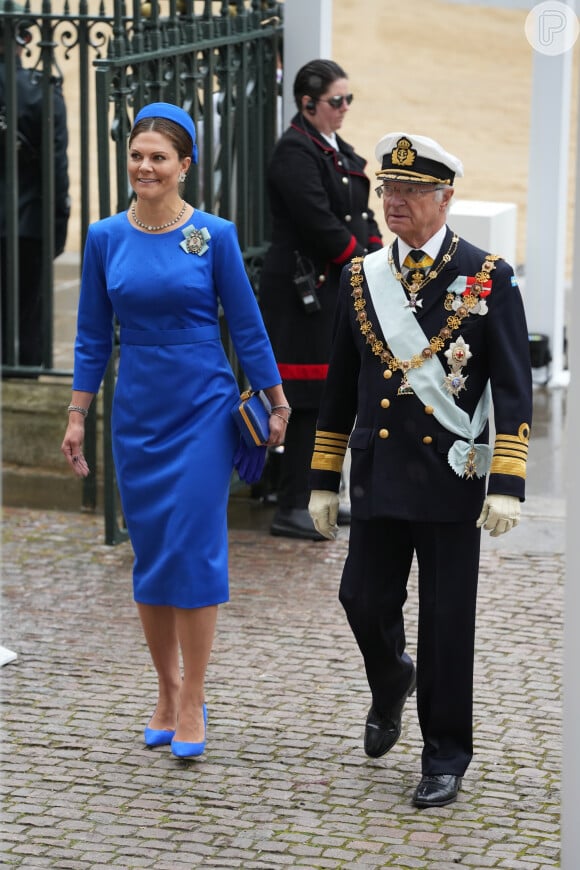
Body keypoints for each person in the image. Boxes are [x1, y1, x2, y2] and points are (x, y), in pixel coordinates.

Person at [308, 133, 532, 808]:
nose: (393, 203)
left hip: (449, 476)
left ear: (445, 198)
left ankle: (444, 755)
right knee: (362, 600)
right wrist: (322, 478)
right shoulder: (361, 277)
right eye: (386, 190)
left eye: (408, 192)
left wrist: (510, 482)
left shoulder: (487, 276)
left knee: (445, 623)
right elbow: (341, 384)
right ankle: (389, 679)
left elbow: (515, 386)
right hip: (379, 472)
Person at [61, 102, 290, 760]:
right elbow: (91, 337)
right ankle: (164, 688)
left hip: (203, 411)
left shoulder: (212, 235)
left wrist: (275, 401)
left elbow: (245, 326)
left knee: (195, 547)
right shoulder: (105, 237)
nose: (145, 166)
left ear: (184, 165)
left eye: (159, 157)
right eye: (137, 155)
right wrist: (77, 414)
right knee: (153, 553)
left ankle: (194, 697)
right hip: (138, 412)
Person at [259, 59, 383, 540]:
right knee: (305, 401)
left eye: (348, 99)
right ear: (308, 104)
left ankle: (323, 496)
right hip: (301, 293)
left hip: (331, 289)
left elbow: (358, 213)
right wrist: (361, 259)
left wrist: (376, 252)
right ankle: (294, 504)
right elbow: (320, 224)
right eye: (336, 101)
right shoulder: (295, 151)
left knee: (333, 396)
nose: (344, 108)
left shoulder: (335, 148)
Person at [0, 3, 70, 368]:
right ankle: (23, 389)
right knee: (27, 319)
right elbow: (56, 170)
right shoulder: (39, 90)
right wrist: (57, 227)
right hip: (26, 223)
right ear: (22, 38)